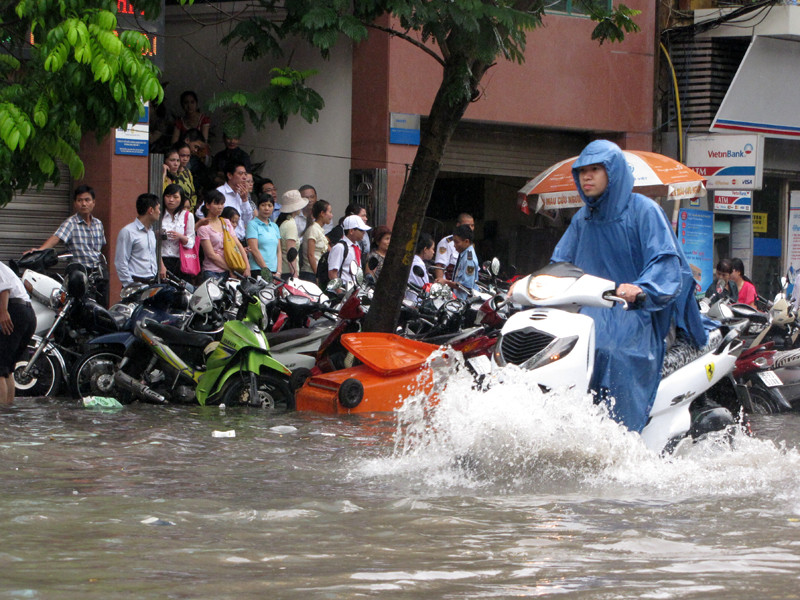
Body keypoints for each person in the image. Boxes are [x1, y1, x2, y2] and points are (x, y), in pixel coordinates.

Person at [550, 139, 707, 433]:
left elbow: (665, 262)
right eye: (582, 170)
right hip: (588, 313)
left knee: (612, 352)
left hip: (636, 313)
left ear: (614, 173)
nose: (586, 177)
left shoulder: (645, 210)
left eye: (595, 169)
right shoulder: (582, 219)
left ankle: (624, 435)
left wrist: (642, 289)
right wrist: (536, 284)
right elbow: (560, 264)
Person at [27, 185, 108, 305]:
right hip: (79, 274)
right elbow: (56, 238)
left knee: (101, 308)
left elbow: (101, 248)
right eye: (80, 200)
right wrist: (40, 251)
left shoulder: (98, 224)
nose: (84, 204)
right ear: (75, 203)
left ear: (93, 202)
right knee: (81, 307)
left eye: (87, 200)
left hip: (98, 274)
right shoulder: (71, 223)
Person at [0, 261, 36, 405]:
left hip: (13, 312)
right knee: (7, 369)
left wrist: (3, 312)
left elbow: (4, 288)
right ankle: (7, 413)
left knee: (0, 368)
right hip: (26, 313)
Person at [196, 190, 251, 282]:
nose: (220, 207)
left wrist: (247, 267)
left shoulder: (226, 222)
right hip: (212, 271)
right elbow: (211, 255)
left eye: (222, 204)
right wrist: (231, 269)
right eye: (216, 203)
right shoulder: (203, 228)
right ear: (208, 205)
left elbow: (238, 244)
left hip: (231, 270)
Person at [115, 193, 162, 288]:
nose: (160, 212)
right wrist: (130, 284)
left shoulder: (151, 232)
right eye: (158, 209)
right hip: (135, 283)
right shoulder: (128, 232)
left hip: (152, 283)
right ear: (151, 210)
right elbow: (121, 262)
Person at [159, 185, 196, 282]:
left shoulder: (187, 216)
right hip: (162, 258)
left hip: (181, 260)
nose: (171, 200)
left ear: (181, 199)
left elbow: (191, 242)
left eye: (175, 197)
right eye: (168, 196)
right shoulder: (159, 214)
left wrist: (180, 237)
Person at [328, 215, 370, 285]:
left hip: (355, 288)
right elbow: (332, 274)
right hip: (343, 288)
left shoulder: (357, 246)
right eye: (361, 230)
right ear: (351, 231)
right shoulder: (340, 247)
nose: (364, 232)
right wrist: (339, 290)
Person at [246, 195, 281, 279]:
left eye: (270, 205)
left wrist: (279, 271)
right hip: (258, 270)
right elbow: (254, 249)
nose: (266, 208)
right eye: (263, 205)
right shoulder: (252, 224)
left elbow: (278, 251)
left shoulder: (274, 226)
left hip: (274, 272)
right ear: (258, 207)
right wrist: (266, 271)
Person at [277, 190, 308, 280]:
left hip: (281, 269)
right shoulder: (290, 224)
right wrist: (294, 275)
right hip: (288, 272)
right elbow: (291, 252)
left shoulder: (280, 221)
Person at [434, 213, 474, 282]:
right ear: (458, 225)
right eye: (467, 225)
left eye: (472, 225)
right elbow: (439, 266)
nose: (470, 228)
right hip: (449, 284)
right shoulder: (446, 242)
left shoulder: (470, 244)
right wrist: (441, 285)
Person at [216, 161, 252, 240]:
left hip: (241, 239)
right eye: (240, 173)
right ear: (229, 175)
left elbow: (247, 220)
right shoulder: (220, 192)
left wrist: (245, 200)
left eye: (245, 174)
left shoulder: (242, 194)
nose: (244, 177)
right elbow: (201, 212)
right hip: (226, 240)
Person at [299, 199, 333, 282]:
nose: (331, 215)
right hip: (310, 274)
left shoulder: (320, 230)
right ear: (322, 213)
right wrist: (317, 276)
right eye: (330, 212)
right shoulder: (313, 229)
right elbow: (310, 255)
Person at [446, 224, 479, 300]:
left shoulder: (469, 259)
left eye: (457, 242)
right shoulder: (463, 254)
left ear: (466, 241)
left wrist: (446, 282)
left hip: (465, 301)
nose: (454, 245)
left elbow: (466, 286)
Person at [406, 232, 434, 302]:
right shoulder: (418, 264)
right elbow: (424, 287)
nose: (433, 252)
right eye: (432, 249)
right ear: (425, 249)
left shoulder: (411, 260)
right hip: (415, 301)